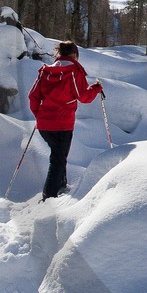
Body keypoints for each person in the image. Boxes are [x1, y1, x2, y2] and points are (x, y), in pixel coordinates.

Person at [27, 40, 103, 200]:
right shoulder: (74, 71)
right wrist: (96, 88)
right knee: (58, 159)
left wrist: (39, 115)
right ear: (74, 54)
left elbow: (33, 96)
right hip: (62, 124)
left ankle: (61, 186)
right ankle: (49, 197)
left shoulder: (46, 71)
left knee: (59, 156)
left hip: (44, 125)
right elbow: (84, 97)